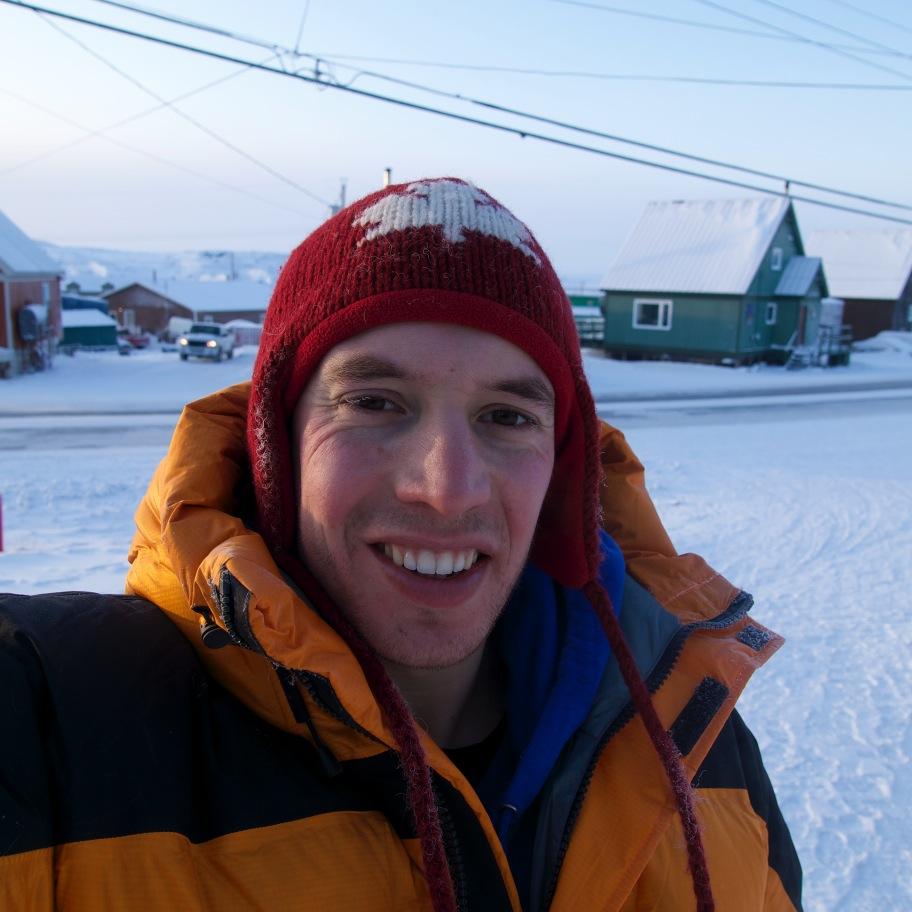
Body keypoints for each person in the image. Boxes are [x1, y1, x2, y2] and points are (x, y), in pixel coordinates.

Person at [0, 178, 801, 911]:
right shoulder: (57, 726)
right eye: (376, 402)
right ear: (278, 444)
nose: (446, 486)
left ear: (559, 471)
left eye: (507, 416)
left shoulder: (692, 738)